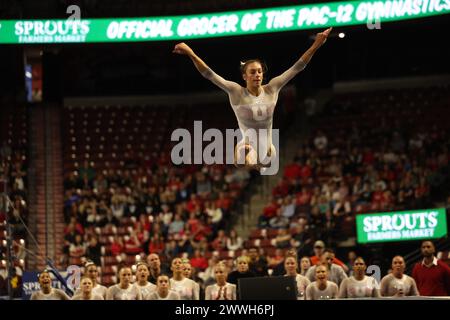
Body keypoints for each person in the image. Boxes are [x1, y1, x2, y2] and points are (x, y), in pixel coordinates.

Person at [173, 28, 332, 172]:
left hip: (268, 146)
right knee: (242, 159)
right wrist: (191, 53)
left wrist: (316, 45)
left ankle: (256, 161)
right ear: (244, 76)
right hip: (246, 143)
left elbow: (297, 67)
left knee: (267, 161)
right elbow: (209, 74)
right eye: (253, 72)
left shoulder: (272, 88)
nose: (257, 75)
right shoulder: (236, 92)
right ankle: (247, 157)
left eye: (259, 72)